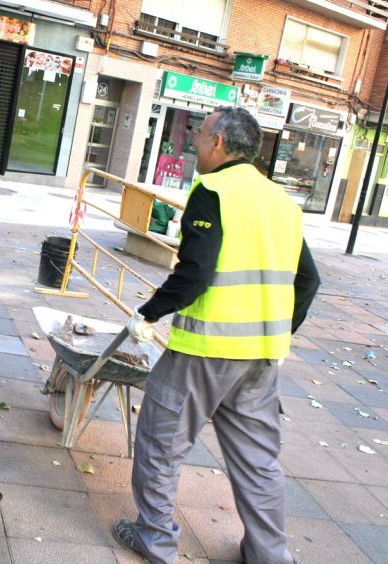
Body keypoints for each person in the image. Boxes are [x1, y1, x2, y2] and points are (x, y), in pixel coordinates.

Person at [113, 107, 320, 564]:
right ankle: (269, 556)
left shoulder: (213, 191)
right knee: (258, 462)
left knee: (160, 443)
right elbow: (308, 281)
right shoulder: (282, 202)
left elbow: (196, 273)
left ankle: (156, 539)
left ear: (220, 143)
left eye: (201, 136)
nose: (196, 147)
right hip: (261, 359)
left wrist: (148, 314)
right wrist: (279, 333)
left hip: (203, 353)